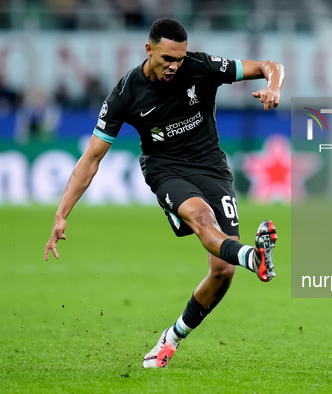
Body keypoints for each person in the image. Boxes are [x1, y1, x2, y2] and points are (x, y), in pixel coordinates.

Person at [43, 17, 284, 368]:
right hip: (165, 169)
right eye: (167, 58)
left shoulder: (201, 67)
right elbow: (91, 158)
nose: (174, 66)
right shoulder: (126, 93)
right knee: (202, 218)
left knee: (222, 272)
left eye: (179, 59)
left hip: (212, 167)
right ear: (149, 49)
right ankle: (253, 256)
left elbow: (269, 65)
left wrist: (274, 86)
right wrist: (62, 212)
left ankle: (171, 338)